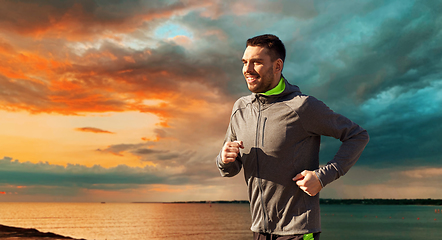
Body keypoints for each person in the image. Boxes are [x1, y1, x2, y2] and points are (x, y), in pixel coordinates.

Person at [216, 34, 369, 240]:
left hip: (298, 231)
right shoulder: (240, 108)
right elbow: (231, 169)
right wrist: (224, 159)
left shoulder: (302, 106)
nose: (247, 69)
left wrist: (322, 177)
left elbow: (357, 135)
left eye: (257, 62)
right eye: (244, 62)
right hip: (259, 231)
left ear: (277, 66)